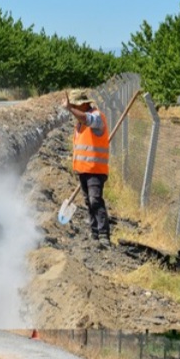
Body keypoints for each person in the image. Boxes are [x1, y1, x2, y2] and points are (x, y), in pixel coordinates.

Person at [63, 88, 112, 245]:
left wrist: (70, 108)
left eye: (76, 106)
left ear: (83, 105)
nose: (74, 110)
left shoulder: (97, 117)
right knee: (88, 202)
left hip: (95, 170)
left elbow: (87, 119)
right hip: (83, 170)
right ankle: (95, 233)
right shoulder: (79, 124)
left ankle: (104, 235)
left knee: (95, 200)